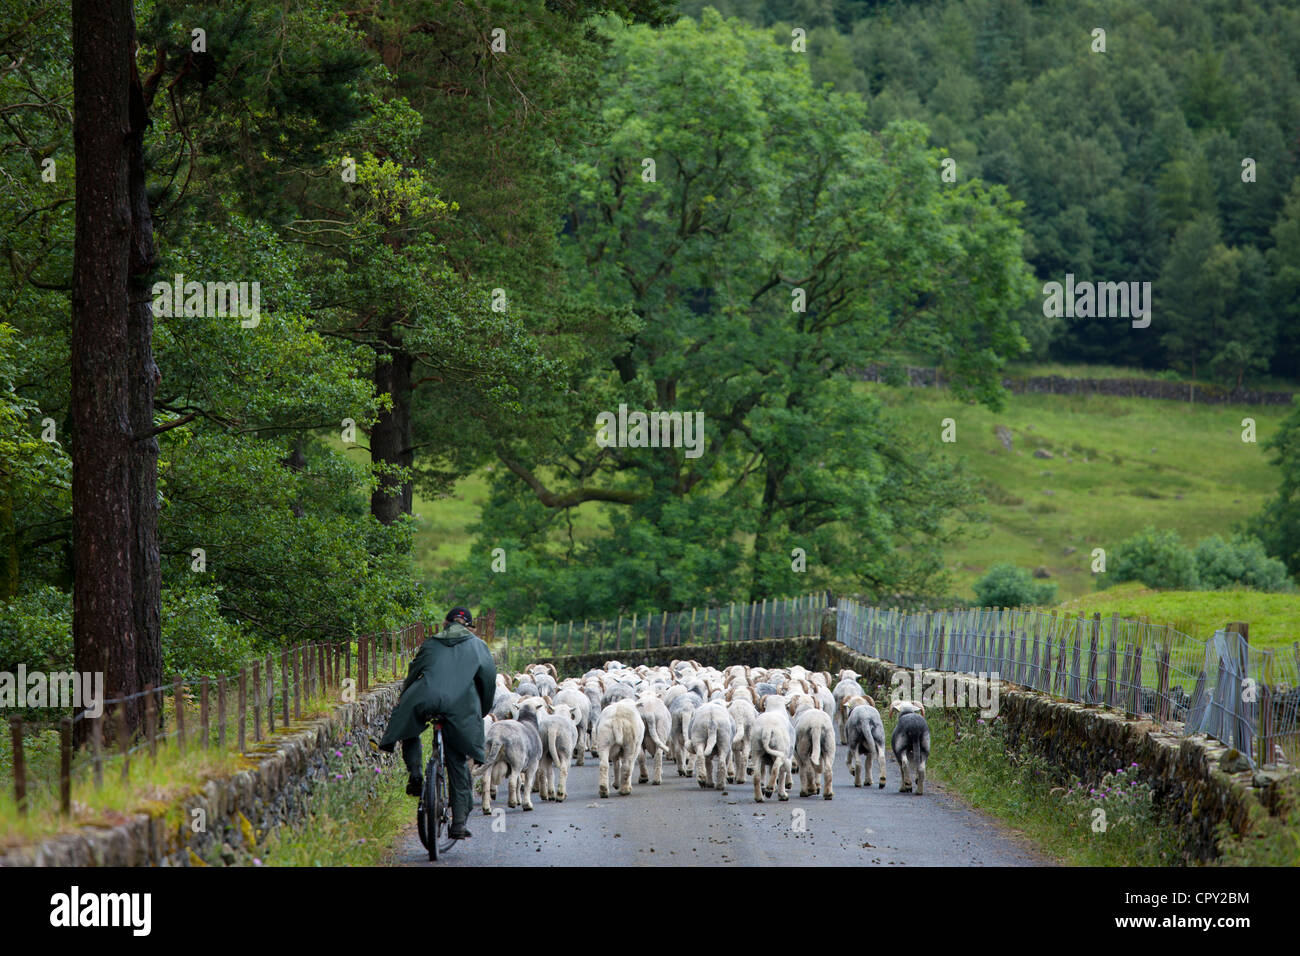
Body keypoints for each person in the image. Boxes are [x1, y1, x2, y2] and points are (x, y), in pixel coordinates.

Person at [377, 606, 497, 839]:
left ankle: (415, 773)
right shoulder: (478, 646)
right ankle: (459, 823)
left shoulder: (431, 643)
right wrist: (480, 709)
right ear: (469, 626)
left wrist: (406, 699)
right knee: (458, 760)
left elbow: (413, 674)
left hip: (425, 698)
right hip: (460, 706)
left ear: (446, 623)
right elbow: (489, 682)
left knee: (408, 726)